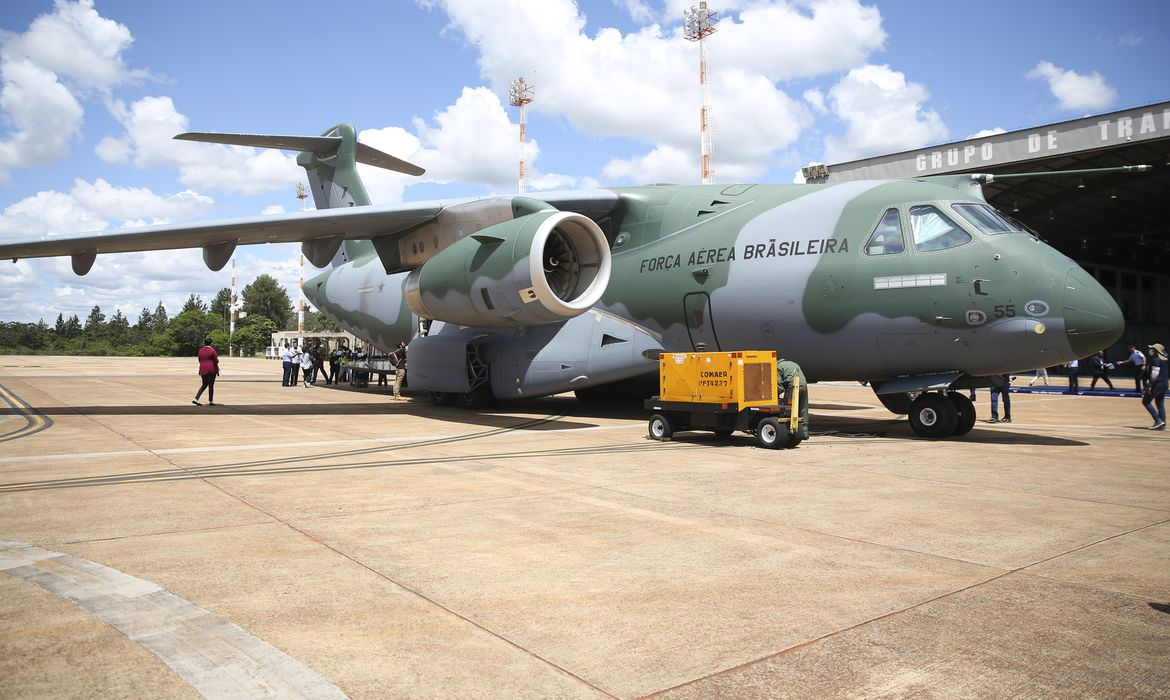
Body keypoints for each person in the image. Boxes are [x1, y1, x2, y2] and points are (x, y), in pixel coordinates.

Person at [775, 357, 809, 440]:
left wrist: (776, 396)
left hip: (793, 386)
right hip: (803, 385)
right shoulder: (793, 363)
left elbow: (779, 385)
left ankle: (788, 431)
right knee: (803, 409)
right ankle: (804, 432)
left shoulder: (778, 367)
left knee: (788, 409)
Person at [1142, 343, 1167, 430]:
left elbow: (1154, 374)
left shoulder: (1156, 360)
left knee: (1146, 401)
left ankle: (1157, 420)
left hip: (1157, 384)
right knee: (1160, 403)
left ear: (1156, 351)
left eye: (1152, 349)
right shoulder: (1164, 360)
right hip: (1164, 384)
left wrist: (1149, 385)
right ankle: (1162, 424)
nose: (1151, 350)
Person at [192, 338, 219, 406]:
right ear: (211, 343)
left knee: (204, 385)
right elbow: (216, 360)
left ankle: (196, 399)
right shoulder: (212, 350)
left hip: (202, 368)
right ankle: (210, 401)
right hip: (211, 369)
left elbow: (199, 360)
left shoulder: (201, 350)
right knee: (211, 385)